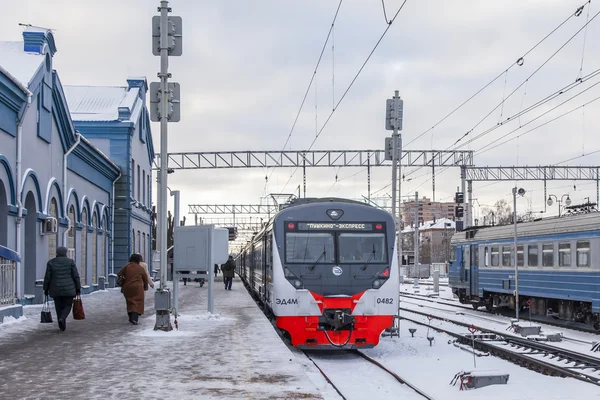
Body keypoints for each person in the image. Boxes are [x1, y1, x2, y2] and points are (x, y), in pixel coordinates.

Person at [43, 246, 81, 332]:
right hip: (69, 289)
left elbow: (47, 277)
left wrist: (45, 289)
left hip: (55, 289)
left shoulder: (51, 263)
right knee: (68, 305)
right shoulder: (70, 262)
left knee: (58, 306)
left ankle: (61, 322)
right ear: (65, 252)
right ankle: (62, 318)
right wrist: (78, 288)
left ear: (57, 253)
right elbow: (76, 276)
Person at [117, 253, 149, 325]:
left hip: (127, 287)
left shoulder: (126, 266)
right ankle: (134, 318)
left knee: (129, 302)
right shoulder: (140, 268)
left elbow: (119, 274)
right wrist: (145, 287)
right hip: (137, 287)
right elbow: (145, 278)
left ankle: (130, 317)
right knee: (137, 302)